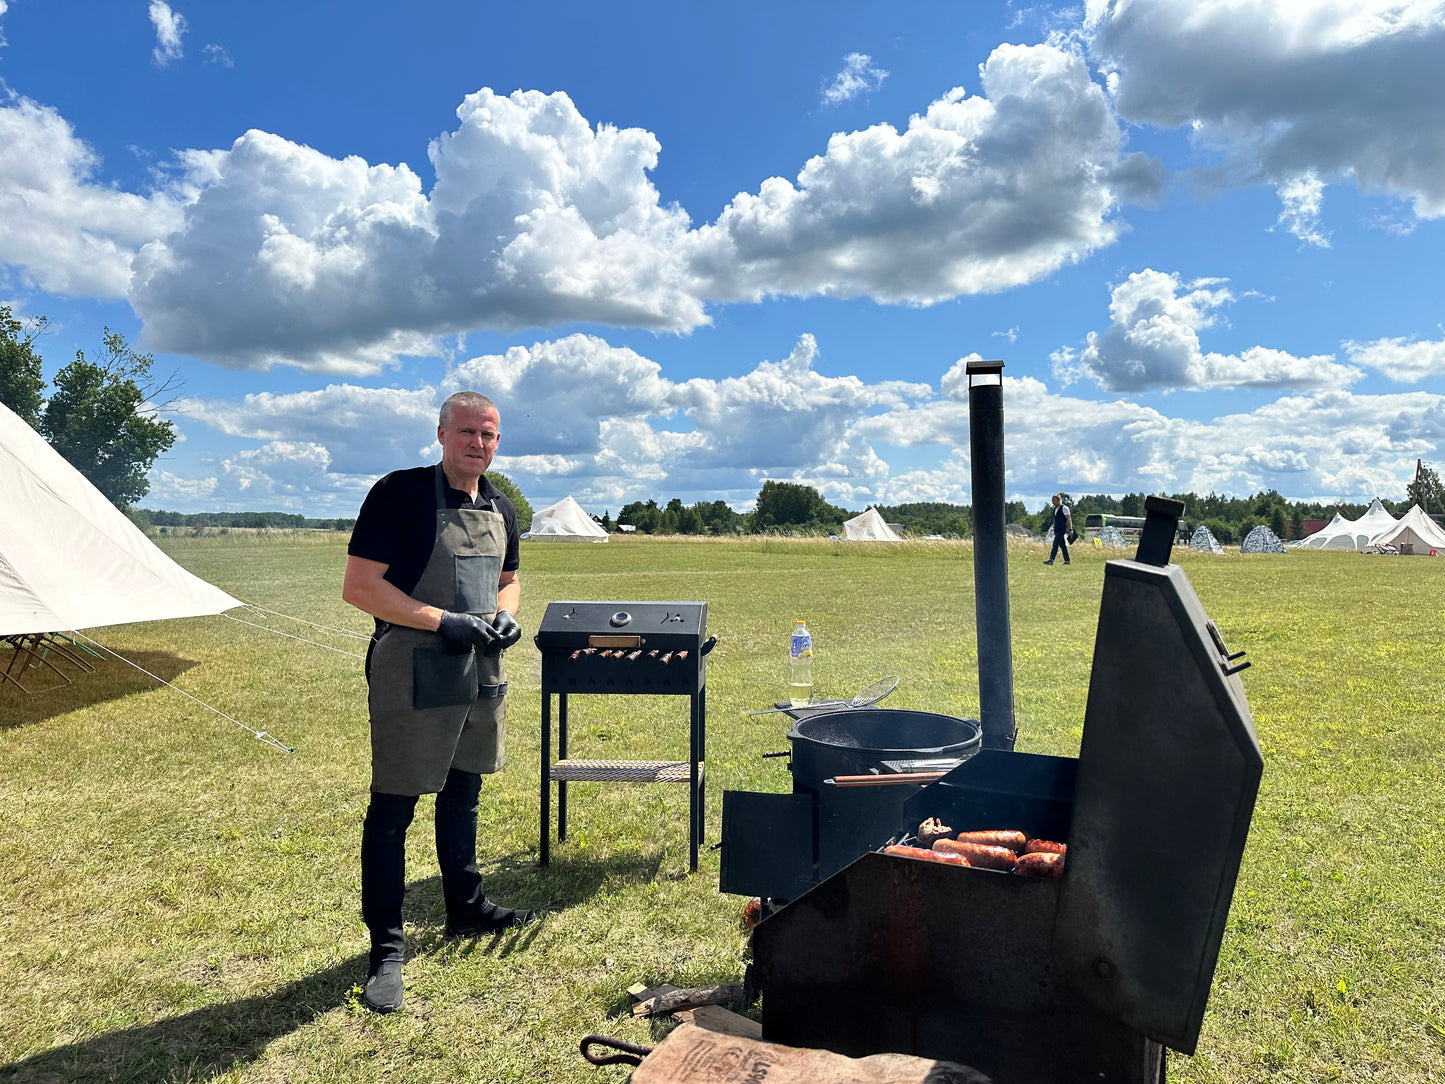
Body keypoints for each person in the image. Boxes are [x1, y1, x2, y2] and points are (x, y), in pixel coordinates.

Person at [342, 391, 535, 1015]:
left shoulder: (500, 504)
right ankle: (387, 947)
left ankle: (466, 907)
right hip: (412, 665)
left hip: (479, 667)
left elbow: (507, 581)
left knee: (464, 791)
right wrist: (442, 620)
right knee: (394, 805)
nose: (479, 444)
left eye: (490, 435)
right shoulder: (398, 493)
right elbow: (360, 587)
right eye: (468, 433)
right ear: (441, 433)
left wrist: (505, 618)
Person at [1044, 493, 1072, 566]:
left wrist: (1070, 529)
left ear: (1058, 500)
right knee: (1063, 546)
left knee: (1055, 544)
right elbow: (1055, 519)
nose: (1052, 502)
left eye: (1054, 501)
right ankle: (1067, 560)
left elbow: (1069, 519)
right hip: (1056, 530)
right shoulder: (1055, 509)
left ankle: (1051, 560)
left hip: (1061, 530)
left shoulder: (1064, 508)